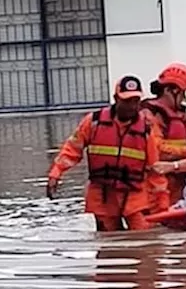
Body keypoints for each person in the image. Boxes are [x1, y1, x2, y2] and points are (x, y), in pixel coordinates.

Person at [47, 75, 162, 231]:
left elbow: (156, 169)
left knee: (144, 238)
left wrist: (162, 206)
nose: (132, 106)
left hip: (135, 195)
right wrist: (56, 173)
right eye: (127, 101)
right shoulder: (93, 122)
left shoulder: (146, 129)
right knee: (107, 243)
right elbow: (72, 149)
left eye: (135, 101)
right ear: (116, 98)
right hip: (103, 194)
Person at [142, 63, 186, 211]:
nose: (184, 98)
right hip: (157, 185)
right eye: (182, 93)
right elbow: (156, 150)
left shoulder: (181, 114)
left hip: (180, 182)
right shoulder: (150, 115)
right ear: (168, 90)